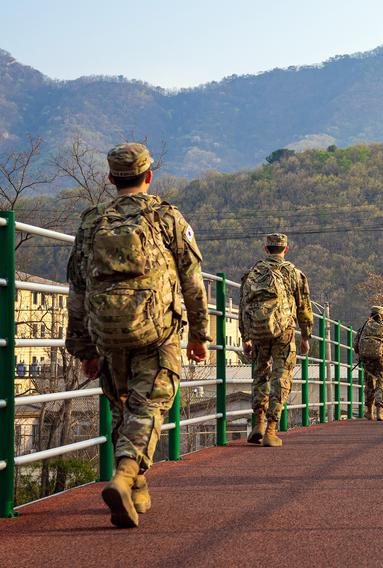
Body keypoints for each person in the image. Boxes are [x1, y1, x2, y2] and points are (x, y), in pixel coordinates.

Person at [65, 143, 210, 528]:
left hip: (107, 334)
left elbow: (77, 289)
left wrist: (83, 347)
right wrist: (199, 334)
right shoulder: (167, 217)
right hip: (157, 331)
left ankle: (138, 488)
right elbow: (193, 281)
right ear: (149, 176)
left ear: (111, 179)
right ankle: (126, 476)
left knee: (121, 407)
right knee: (148, 406)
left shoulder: (91, 221)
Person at [240, 233, 313, 447]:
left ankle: (258, 423)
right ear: (285, 249)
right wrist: (306, 336)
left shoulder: (253, 272)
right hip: (284, 332)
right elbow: (304, 308)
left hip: (259, 332)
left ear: (266, 249)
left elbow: (244, 305)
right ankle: (272, 430)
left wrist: (246, 336)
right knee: (281, 377)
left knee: (260, 375)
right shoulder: (294, 273)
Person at [354, 306, 383, 421]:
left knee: (369, 384)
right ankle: (380, 411)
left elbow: (356, 345)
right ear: (382, 315)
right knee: (382, 383)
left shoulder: (365, 326)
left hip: (367, 359)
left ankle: (369, 412)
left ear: (371, 314)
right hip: (382, 359)